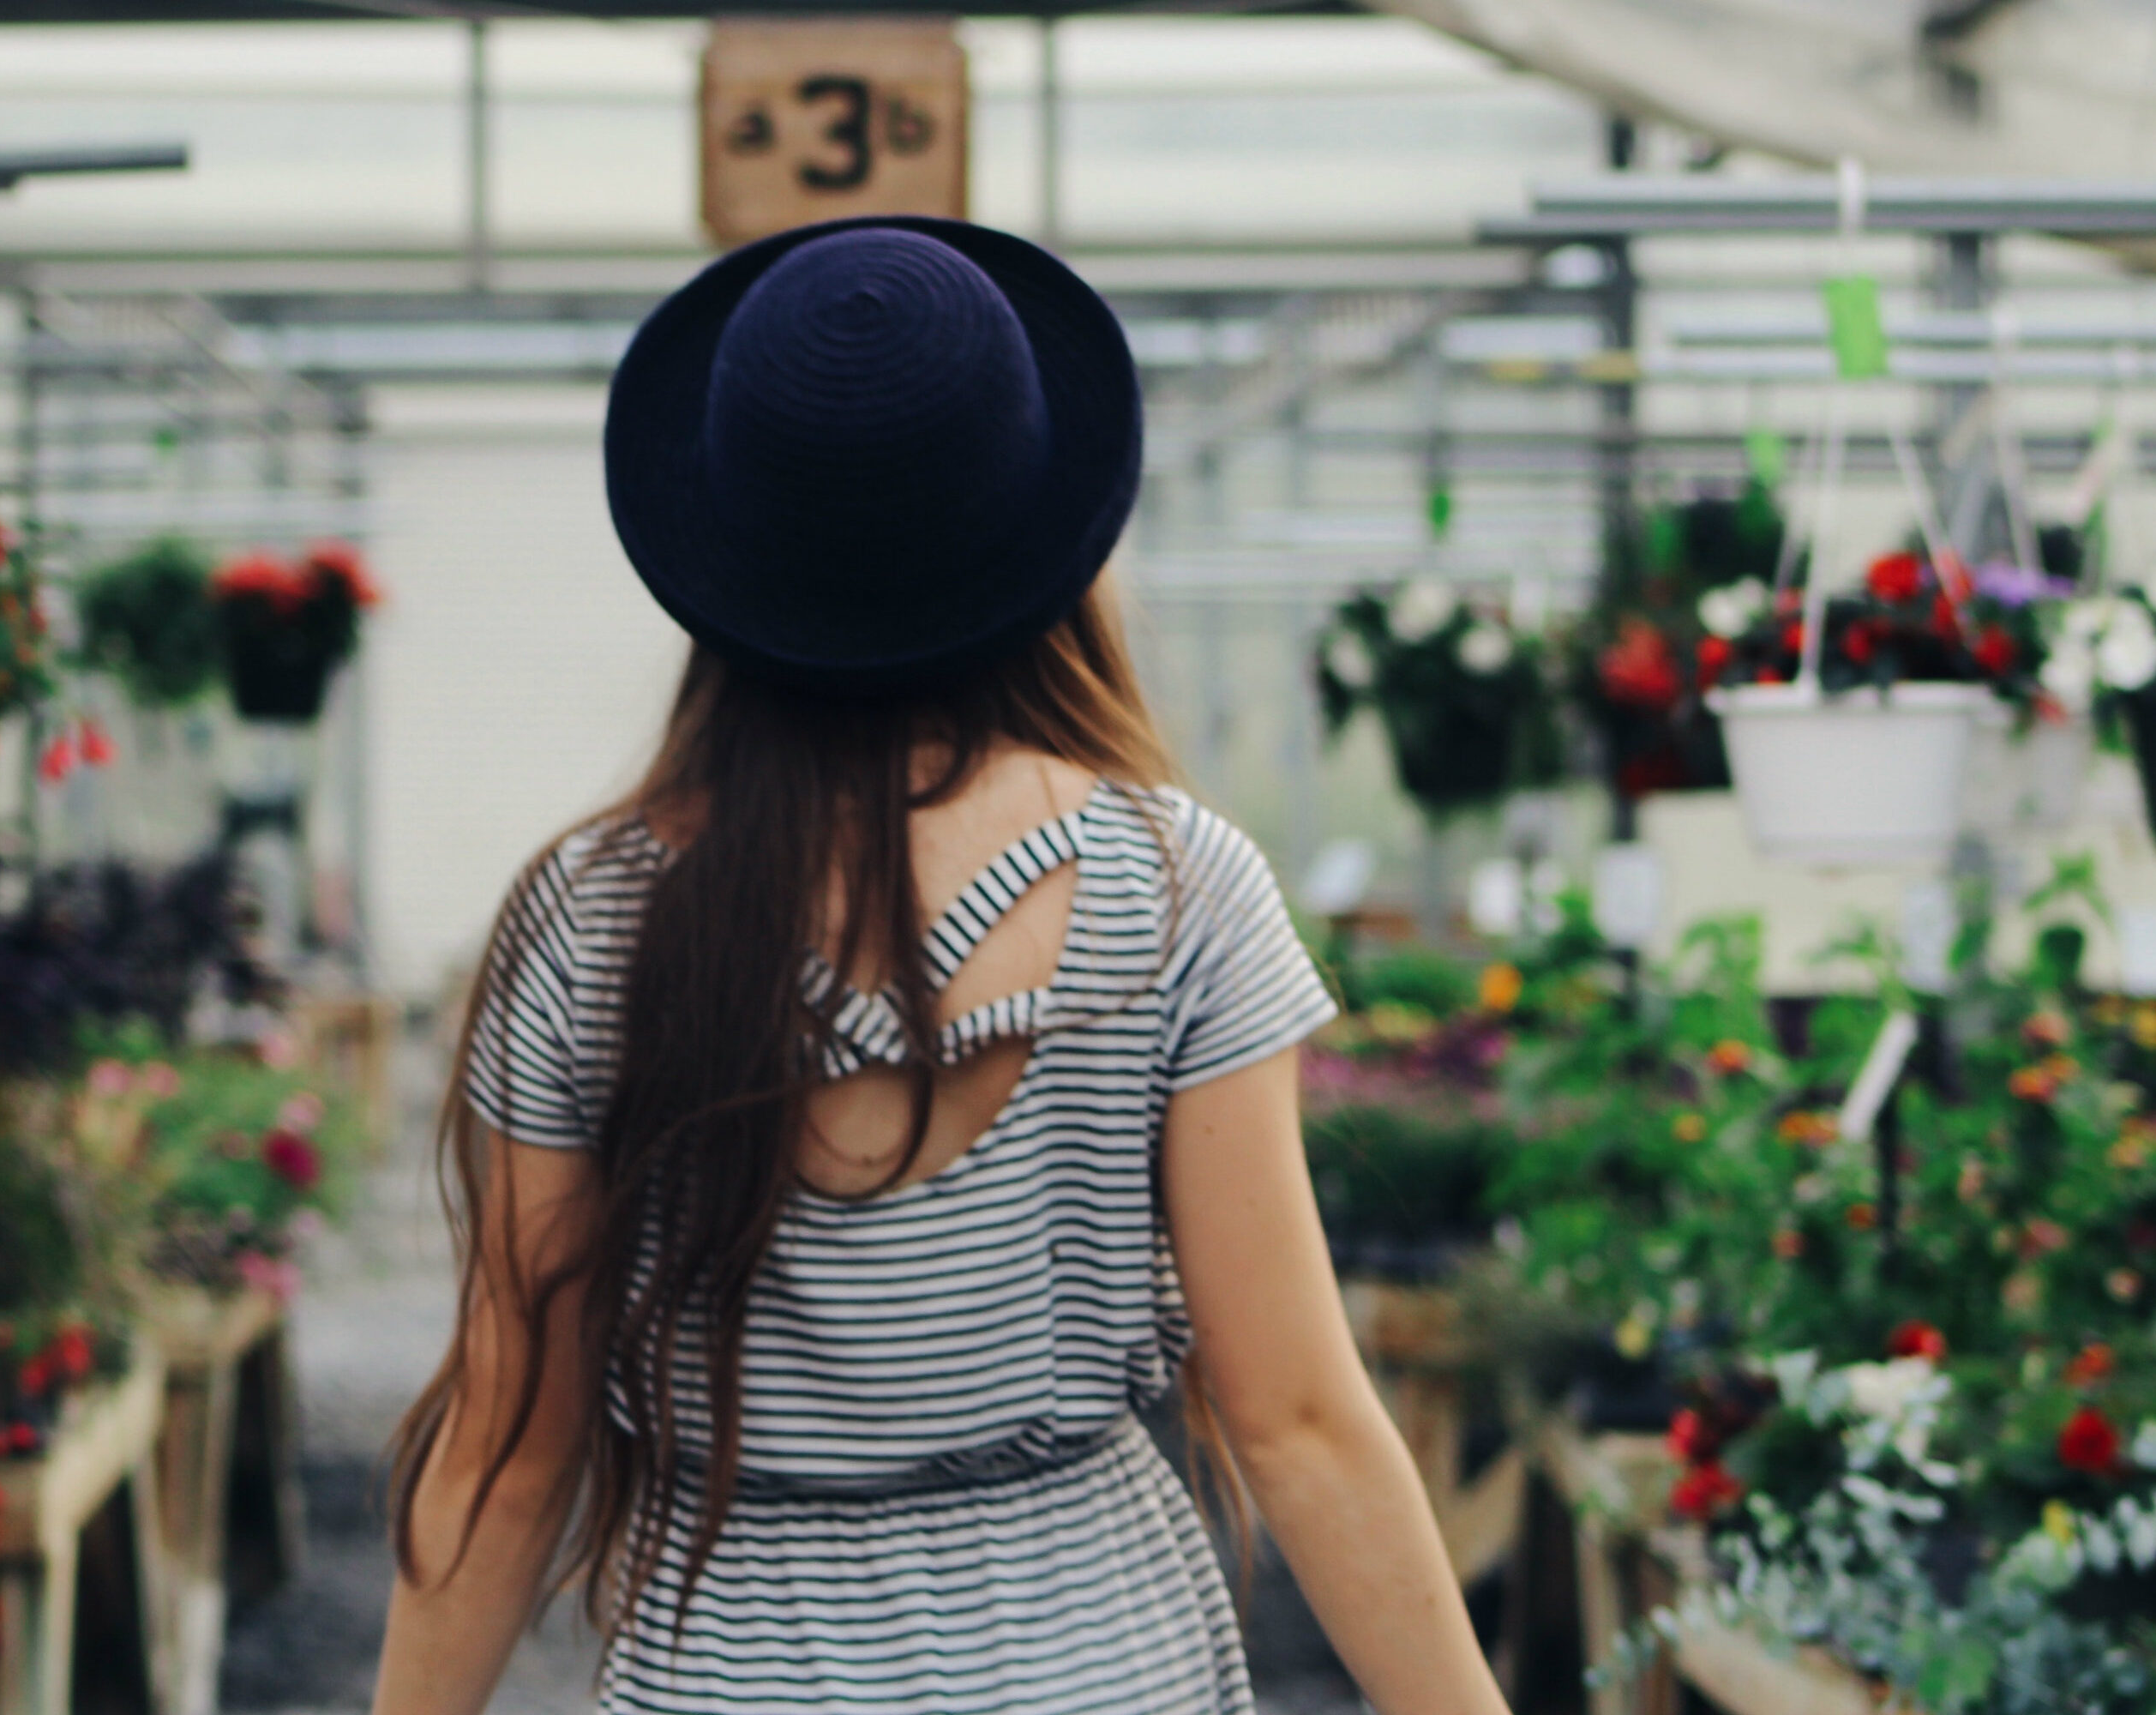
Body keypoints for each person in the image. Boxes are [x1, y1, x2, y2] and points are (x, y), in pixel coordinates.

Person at [371, 215, 1510, 1715]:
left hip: (737, 1668)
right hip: (1106, 1661)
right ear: (1040, 536)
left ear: (726, 545)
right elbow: (1297, 1419)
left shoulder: (594, 919)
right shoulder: (1173, 889)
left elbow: (511, 1452)